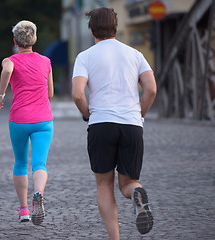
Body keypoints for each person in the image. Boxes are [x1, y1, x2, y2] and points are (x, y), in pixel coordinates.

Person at [72, 8, 157, 239]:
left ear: (91, 30)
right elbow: (151, 89)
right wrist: (139, 115)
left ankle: (115, 238)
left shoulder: (85, 56)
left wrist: (87, 114)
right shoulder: (135, 54)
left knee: (104, 185)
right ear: (115, 28)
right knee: (129, 183)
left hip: (101, 124)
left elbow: (78, 94)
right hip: (131, 125)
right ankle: (138, 193)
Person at [0, 20, 54, 225]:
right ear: (34, 39)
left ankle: (24, 210)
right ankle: (38, 192)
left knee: (20, 163)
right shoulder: (45, 61)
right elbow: (51, 93)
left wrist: (1, 94)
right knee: (39, 163)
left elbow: (7, 69)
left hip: (19, 119)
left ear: (15, 41)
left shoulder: (10, 60)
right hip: (44, 120)